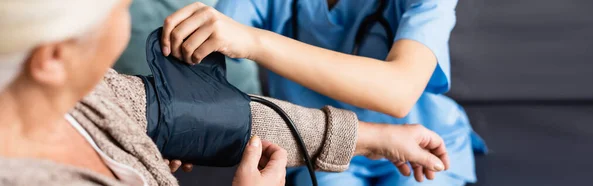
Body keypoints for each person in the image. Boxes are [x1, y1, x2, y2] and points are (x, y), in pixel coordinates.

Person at [0, 0, 451, 185]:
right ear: (52, 58)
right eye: (117, 8)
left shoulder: (98, 97)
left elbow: (399, 91)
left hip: (413, 132)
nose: (126, 17)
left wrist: (371, 137)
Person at [161, 0, 487, 185]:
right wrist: (183, 124)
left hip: (421, 138)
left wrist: (253, 40)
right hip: (317, 147)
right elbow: (201, 57)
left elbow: (398, 93)